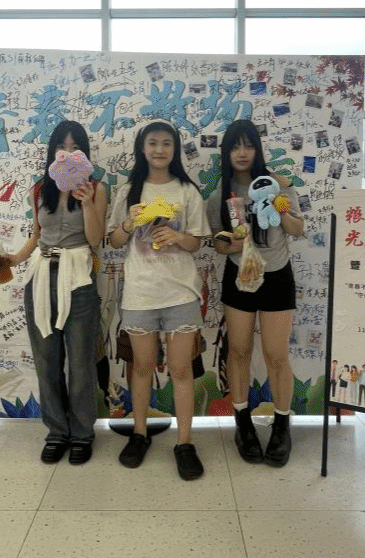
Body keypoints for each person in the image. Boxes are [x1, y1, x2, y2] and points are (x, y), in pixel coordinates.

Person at [108, 121, 210, 480]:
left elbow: (196, 242)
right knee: (141, 368)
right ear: (142, 148)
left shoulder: (186, 190)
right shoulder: (129, 190)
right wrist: (127, 223)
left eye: (167, 143)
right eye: (152, 143)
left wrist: (177, 236)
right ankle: (139, 434)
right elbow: (114, 241)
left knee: (181, 370)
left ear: (175, 149)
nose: (159, 149)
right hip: (140, 293)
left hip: (181, 292)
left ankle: (185, 443)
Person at [6, 121, 106, 465]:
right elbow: (36, 236)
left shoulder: (97, 188)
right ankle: (56, 431)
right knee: (47, 361)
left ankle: (82, 433)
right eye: (61, 147)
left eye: (75, 147)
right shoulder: (40, 189)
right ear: (52, 152)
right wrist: (14, 259)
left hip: (78, 280)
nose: (67, 153)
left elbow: (95, 240)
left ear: (84, 154)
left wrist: (88, 203)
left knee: (80, 363)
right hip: (40, 278)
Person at [206, 118, 303, 467]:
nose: (242, 152)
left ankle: (282, 425)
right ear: (226, 153)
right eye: (235, 146)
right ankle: (242, 423)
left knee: (276, 355)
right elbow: (218, 244)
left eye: (248, 145)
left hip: (277, 277)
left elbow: (297, 229)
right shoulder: (220, 195)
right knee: (239, 351)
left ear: (257, 150)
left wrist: (280, 205)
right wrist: (233, 243)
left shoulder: (276, 185)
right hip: (239, 277)